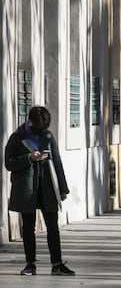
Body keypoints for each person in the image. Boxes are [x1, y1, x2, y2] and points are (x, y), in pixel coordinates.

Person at [4, 106, 75, 276]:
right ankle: (30, 264)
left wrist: (63, 189)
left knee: (52, 226)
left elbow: (57, 162)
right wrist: (29, 158)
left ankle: (57, 264)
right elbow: (9, 163)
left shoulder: (48, 137)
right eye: (39, 126)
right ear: (30, 122)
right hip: (26, 188)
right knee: (28, 227)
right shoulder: (17, 137)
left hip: (47, 187)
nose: (42, 130)